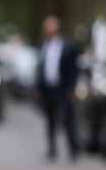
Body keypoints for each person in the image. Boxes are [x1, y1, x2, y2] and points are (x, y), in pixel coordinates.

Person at [34, 15, 79, 161]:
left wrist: (71, 88)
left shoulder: (68, 45)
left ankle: (73, 148)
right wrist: (37, 88)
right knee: (49, 119)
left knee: (67, 118)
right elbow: (40, 68)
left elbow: (73, 69)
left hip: (63, 88)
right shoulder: (43, 45)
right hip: (48, 89)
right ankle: (52, 149)